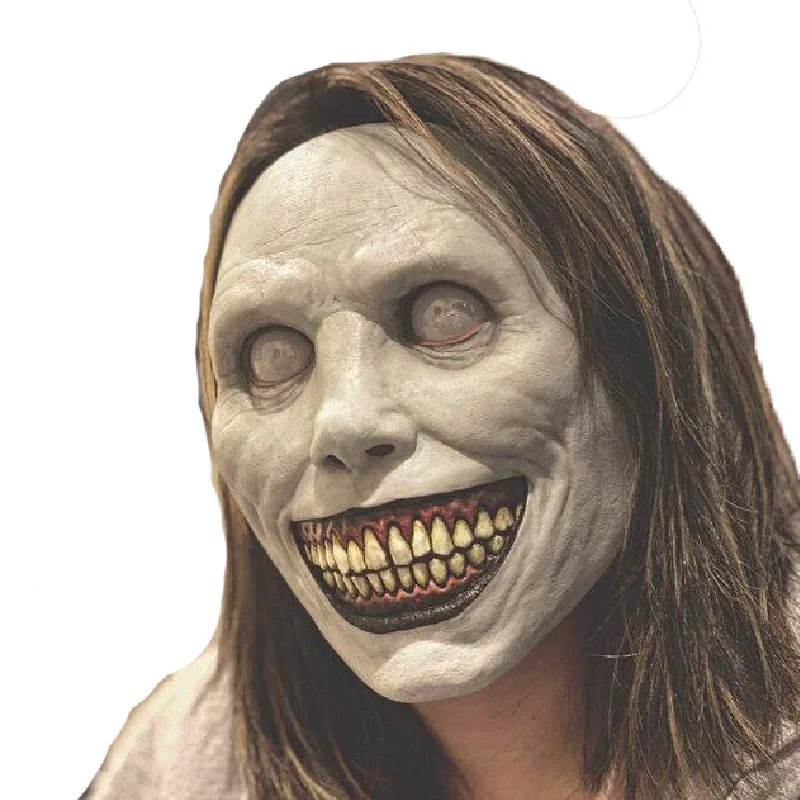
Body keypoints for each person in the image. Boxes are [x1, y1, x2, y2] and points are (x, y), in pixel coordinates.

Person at [83, 54, 800, 800]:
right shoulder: (180, 769)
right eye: (273, 359)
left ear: (648, 363)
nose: (344, 420)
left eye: (447, 316)